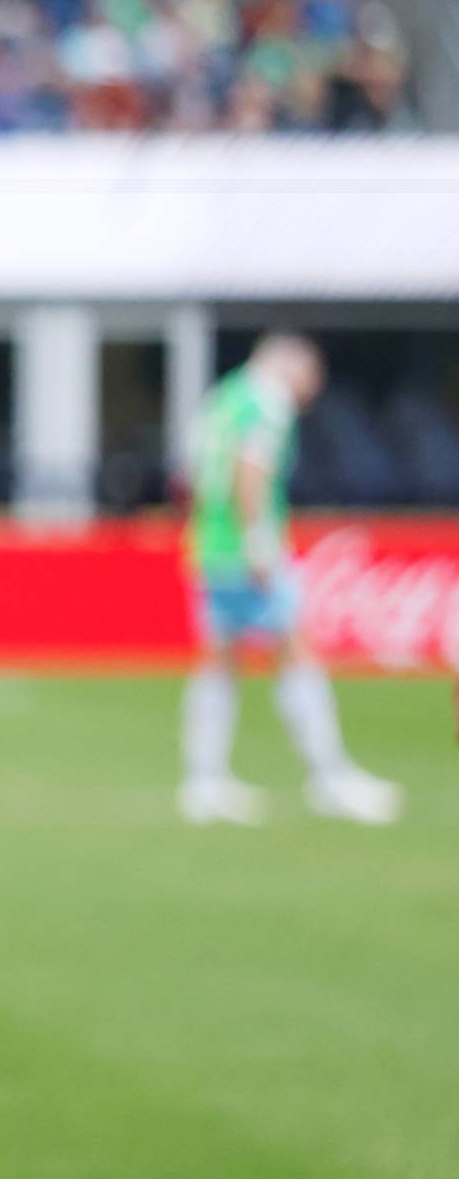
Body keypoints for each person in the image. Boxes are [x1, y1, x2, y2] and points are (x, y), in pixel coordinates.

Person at [177, 334, 401, 826]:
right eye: (310, 378)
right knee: (296, 650)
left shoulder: (225, 397)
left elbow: (194, 471)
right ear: (292, 370)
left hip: (210, 544)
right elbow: (250, 472)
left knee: (220, 659)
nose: (311, 392)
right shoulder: (266, 403)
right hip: (245, 547)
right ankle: (330, 777)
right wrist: (258, 543)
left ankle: (204, 781)